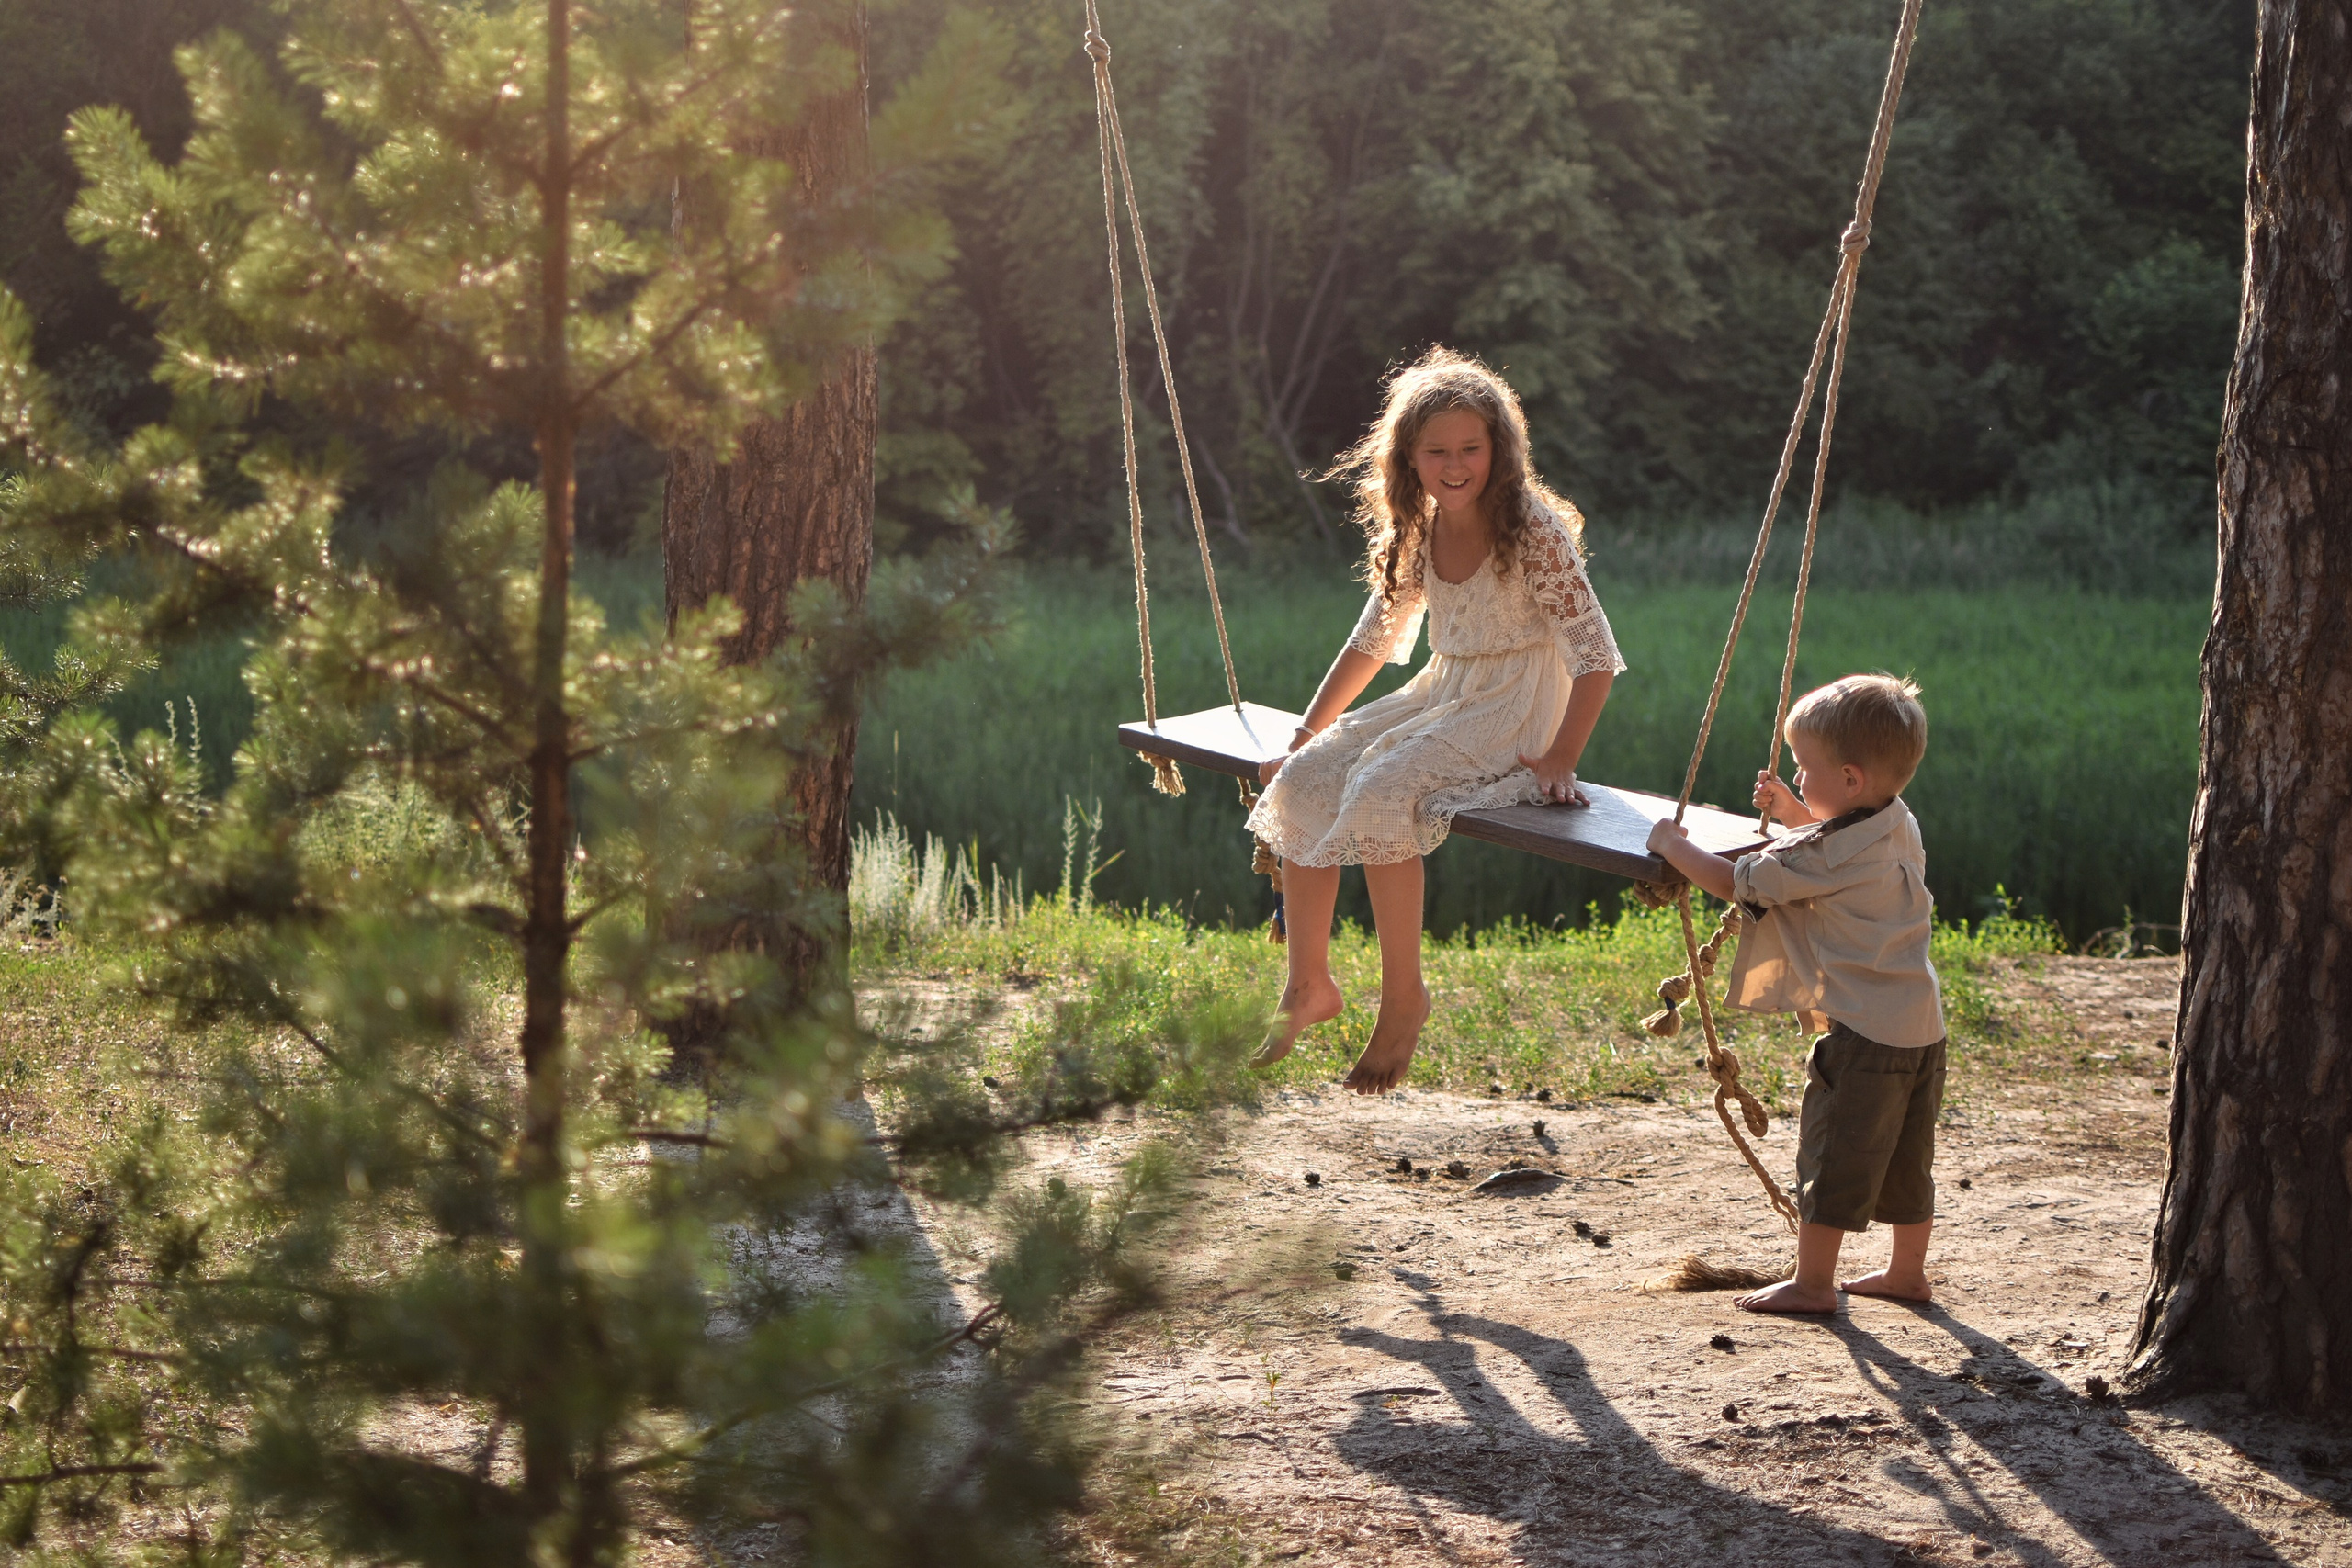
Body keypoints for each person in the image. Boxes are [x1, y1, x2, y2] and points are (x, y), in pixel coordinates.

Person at [1248, 346, 1623, 1094]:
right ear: (1409, 458)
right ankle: (1309, 983)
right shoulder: (1417, 530)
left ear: (1500, 451)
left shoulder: (1532, 530)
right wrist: (1306, 729)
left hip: (1516, 704)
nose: (1455, 467)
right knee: (1304, 776)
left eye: (1471, 450)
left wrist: (1559, 755)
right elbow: (1373, 640)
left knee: (1386, 787)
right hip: (1444, 691)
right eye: (1437, 452)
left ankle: (1403, 999)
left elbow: (1597, 656)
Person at [1645, 673, 1945, 1314]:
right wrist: (1795, 812)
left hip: (1864, 1035)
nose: (1798, 778)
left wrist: (1676, 846)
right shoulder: (1898, 823)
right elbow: (1836, 839)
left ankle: (1813, 1285)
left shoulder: (1827, 856)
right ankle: (1907, 1272)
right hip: (1922, 1028)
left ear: (1851, 779)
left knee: (1833, 1151)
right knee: (1906, 1157)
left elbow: (1740, 882)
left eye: (1806, 769)